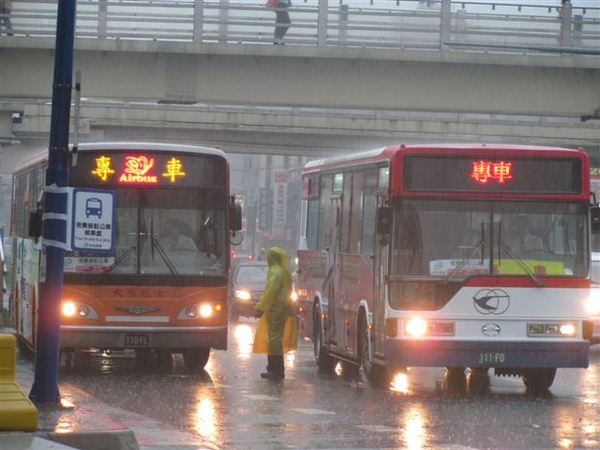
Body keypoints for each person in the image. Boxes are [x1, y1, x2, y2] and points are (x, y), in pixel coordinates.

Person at [253, 247, 295, 380]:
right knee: (275, 339)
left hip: (276, 310)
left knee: (274, 340)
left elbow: (270, 292)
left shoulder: (275, 272)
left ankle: (275, 369)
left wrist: (260, 308)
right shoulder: (284, 271)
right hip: (282, 309)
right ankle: (276, 369)